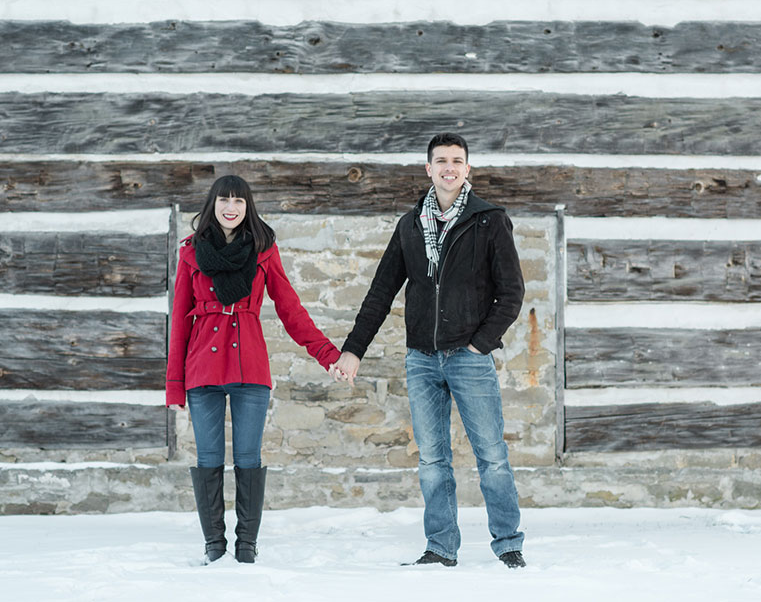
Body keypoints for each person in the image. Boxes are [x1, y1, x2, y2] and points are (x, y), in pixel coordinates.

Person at [331, 132, 527, 568]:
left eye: (457, 160)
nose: (449, 167)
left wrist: (480, 345)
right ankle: (440, 548)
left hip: (469, 358)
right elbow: (380, 293)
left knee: (492, 456)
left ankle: (509, 544)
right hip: (421, 358)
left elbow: (511, 293)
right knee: (433, 460)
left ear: (467, 169)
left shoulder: (489, 220)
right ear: (428, 169)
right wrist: (353, 351)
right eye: (441, 160)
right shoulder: (409, 225)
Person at [167, 174, 343, 564]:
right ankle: (215, 545)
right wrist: (174, 385)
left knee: (248, 458)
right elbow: (178, 321)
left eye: (239, 201)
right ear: (212, 205)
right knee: (208, 458)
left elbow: (291, 310)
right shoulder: (190, 253)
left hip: (249, 365)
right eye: (224, 200)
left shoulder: (263, 251)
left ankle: (246, 546)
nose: (231, 208)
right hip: (202, 368)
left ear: (248, 207)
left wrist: (328, 355)